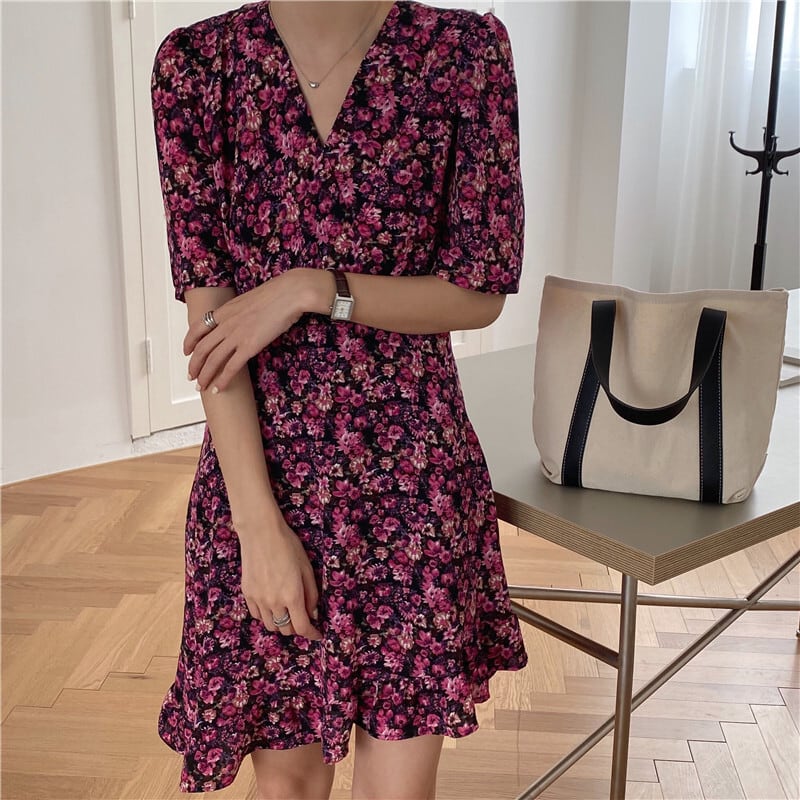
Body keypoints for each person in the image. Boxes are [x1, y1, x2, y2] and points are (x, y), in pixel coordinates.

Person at [150, 0, 528, 797]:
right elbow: (213, 331)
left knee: (398, 790)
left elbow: (480, 290)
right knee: (286, 784)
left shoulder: (463, 52)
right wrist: (257, 529)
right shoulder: (197, 66)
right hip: (262, 477)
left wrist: (315, 288)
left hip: (412, 480)